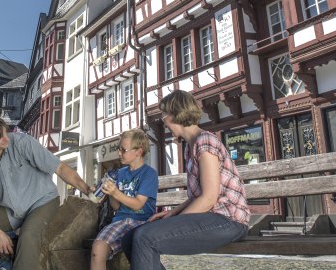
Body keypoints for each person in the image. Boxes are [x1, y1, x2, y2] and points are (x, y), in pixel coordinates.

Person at [125, 90, 250, 270]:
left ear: (175, 114)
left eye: (164, 115)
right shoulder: (190, 147)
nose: (163, 121)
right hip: (211, 217)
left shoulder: (205, 141)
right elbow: (197, 196)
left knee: (145, 238)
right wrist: (172, 214)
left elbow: (208, 198)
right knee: (131, 238)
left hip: (228, 221)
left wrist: (172, 223)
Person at [0, 111, 93, 270]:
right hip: (10, 210)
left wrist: (87, 189)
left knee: (28, 237)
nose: (7, 138)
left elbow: (60, 168)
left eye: (5, 131)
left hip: (42, 201)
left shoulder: (22, 143)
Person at [91, 129, 158, 270]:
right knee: (98, 249)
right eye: (118, 149)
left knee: (139, 251)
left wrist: (116, 192)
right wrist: (108, 192)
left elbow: (138, 204)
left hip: (142, 222)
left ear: (138, 152)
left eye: (123, 149)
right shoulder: (120, 173)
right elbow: (117, 207)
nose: (119, 153)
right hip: (121, 221)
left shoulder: (149, 174)